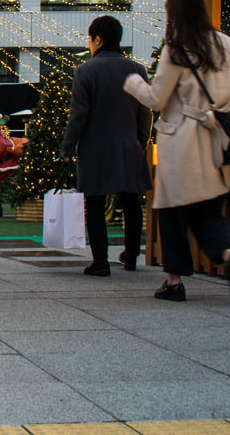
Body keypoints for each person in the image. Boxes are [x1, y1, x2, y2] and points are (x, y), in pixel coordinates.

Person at [123, 0, 230, 302]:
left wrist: (133, 83)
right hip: (217, 140)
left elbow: (156, 99)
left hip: (183, 141)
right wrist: (217, 105)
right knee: (209, 209)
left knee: (173, 213)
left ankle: (174, 280)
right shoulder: (225, 43)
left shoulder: (177, 49)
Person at [60, 15, 152, 276]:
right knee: (131, 201)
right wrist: (141, 140)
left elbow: (78, 114)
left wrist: (68, 148)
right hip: (129, 145)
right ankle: (131, 255)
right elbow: (145, 111)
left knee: (95, 202)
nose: (89, 44)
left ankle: (100, 260)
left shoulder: (85, 71)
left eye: (90, 40)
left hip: (96, 147)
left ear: (98, 40)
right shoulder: (137, 70)